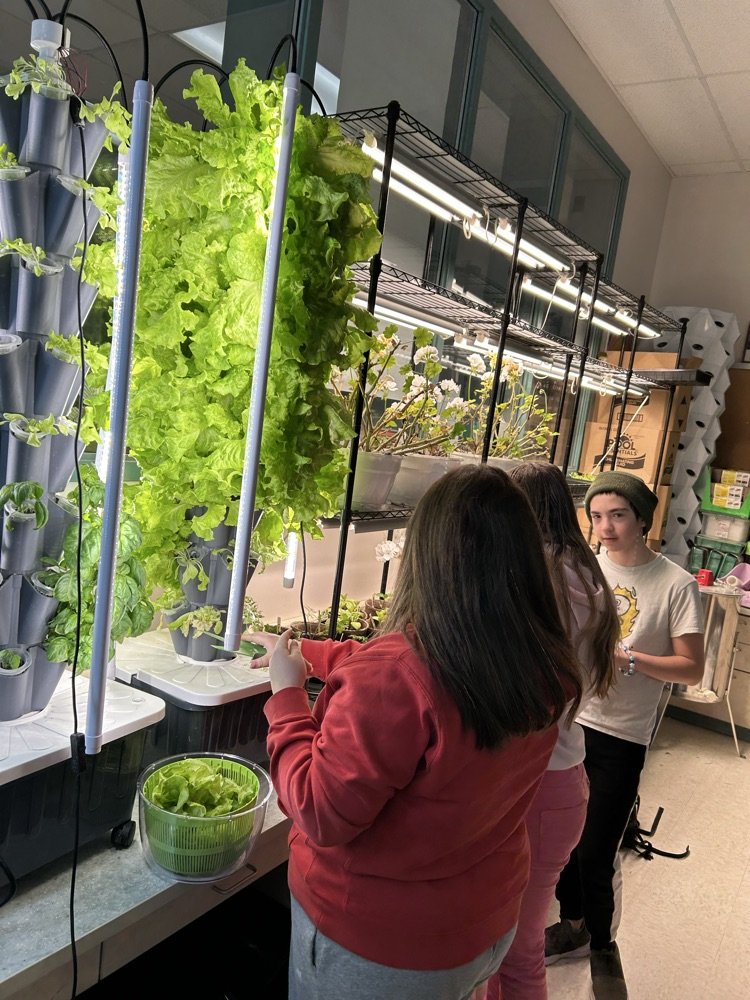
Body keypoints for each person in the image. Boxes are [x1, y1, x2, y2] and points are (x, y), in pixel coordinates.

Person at [246, 463, 583, 1000]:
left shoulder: (398, 675)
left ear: (429, 554)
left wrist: (287, 699)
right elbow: (415, 672)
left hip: (381, 947)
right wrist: (311, 653)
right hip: (481, 923)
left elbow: (317, 809)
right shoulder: (539, 656)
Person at [545, 470, 704, 1000]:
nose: (604, 527)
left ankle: (602, 946)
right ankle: (571, 924)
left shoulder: (675, 584)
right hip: (571, 720)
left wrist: (628, 658)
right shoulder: (582, 571)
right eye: (595, 516)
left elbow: (691, 668)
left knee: (596, 845)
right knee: (563, 837)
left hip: (623, 732)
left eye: (616, 515)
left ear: (641, 520)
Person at [479, 462, 620, 1000]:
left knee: (515, 948)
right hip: (559, 773)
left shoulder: (546, 579)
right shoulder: (582, 572)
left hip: (540, 782)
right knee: (506, 943)